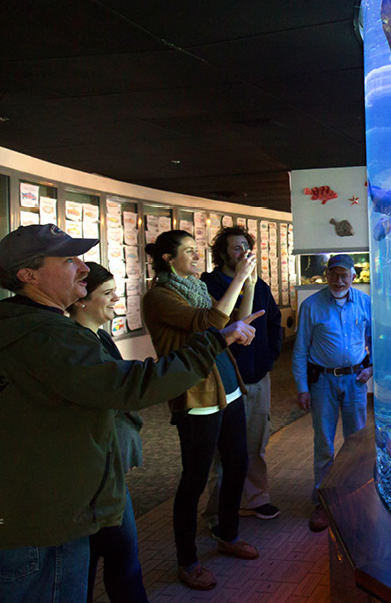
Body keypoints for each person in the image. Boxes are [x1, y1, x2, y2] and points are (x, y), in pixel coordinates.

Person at [0, 224, 260, 603]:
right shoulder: (51, 338)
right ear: (28, 275)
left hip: (1, 511)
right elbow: (134, 386)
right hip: (37, 523)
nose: (84, 268)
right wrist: (213, 341)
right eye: (69, 260)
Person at [142, 230, 259, 591]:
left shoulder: (196, 288)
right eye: (189, 251)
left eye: (197, 250)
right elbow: (211, 323)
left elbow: (234, 320)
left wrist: (249, 283)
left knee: (238, 463)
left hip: (228, 386)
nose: (196, 256)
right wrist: (238, 278)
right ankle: (187, 559)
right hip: (196, 395)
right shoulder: (159, 297)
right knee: (193, 479)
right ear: (167, 258)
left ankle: (228, 534)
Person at [67, 263, 147, 603]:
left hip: (106, 471)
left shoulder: (98, 336)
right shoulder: (77, 346)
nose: (116, 299)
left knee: (111, 556)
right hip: (94, 476)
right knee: (115, 556)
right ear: (80, 298)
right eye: (107, 293)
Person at [200, 226, 283, 522]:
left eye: (247, 248)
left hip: (257, 375)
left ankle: (257, 498)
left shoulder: (259, 286)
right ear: (221, 254)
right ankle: (219, 510)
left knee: (256, 442)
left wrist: (268, 357)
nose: (243, 254)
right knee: (224, 449)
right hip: (224, 380)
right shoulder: (208, 287)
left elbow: (273, 322)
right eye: (236, 248)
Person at [292, 254, 372, 533]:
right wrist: (302, 388)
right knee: (324, 443)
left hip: (355, 381)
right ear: (326, 275)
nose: (339, 281)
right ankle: (323, 502)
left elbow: (375, 338)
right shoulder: (311, 305)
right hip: (322, 382)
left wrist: (371, 367)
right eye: (334, 275)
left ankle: (355, 495)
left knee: (356, 442)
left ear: (353, 276)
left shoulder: (364, 302)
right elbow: (300, 350)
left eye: (344, 275)